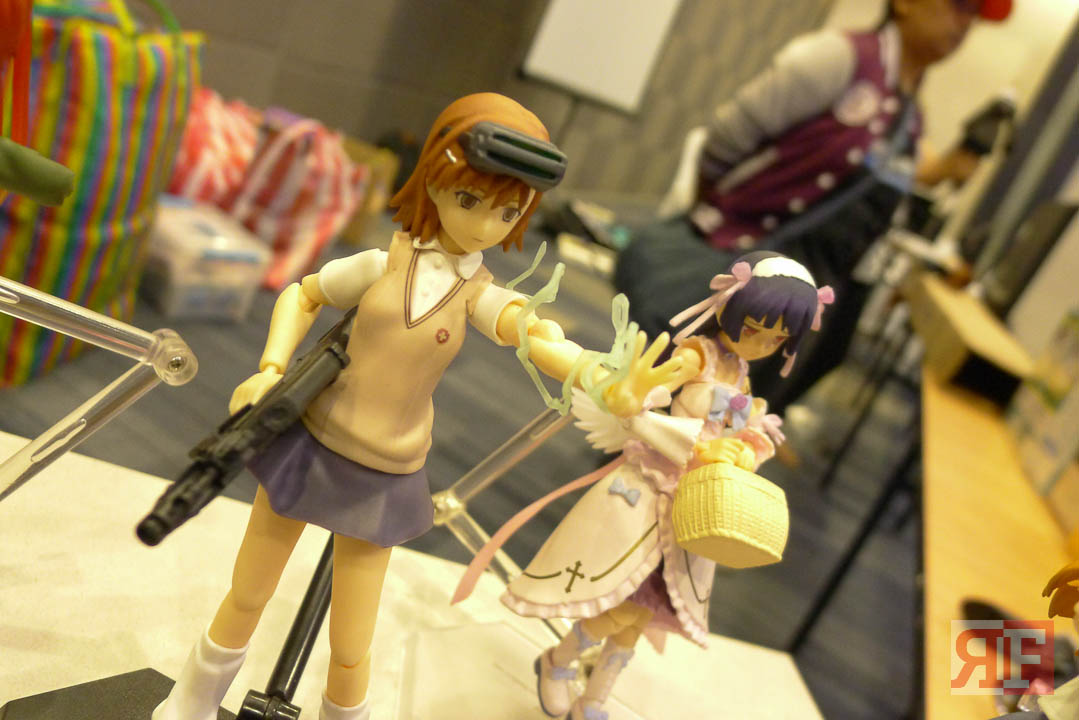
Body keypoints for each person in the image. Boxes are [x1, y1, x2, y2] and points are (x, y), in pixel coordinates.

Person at [151, 93, 687, 720]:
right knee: (247, 594)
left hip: (384, 471)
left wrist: (599, 377)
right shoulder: (384, 263)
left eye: (508, 212)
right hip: (311, 439)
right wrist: (270, 370)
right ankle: (190, 704)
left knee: (351, 644)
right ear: (435, 180)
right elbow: (304, 294)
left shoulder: (477, 294)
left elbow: (536, 335)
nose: (486, 226)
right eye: (470, 200)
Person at [455, 251, 833, 719]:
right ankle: (558, 661)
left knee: (639, 618)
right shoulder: (698, 356)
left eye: (776, 340)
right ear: (727, 310)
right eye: (754, 329)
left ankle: (594, 697)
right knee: (619, 606)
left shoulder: (741, 374)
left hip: (691, 503)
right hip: (652, 484)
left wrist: (743, 449)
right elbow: (646, 398)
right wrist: (639, 401)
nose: (760, 344)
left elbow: (743, 429)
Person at [614, 0, 1013, 417]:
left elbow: (916, 171)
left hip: (807, 303)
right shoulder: (840, 58)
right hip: (756, 276)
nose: (965, 23)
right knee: (665, 411)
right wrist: (718, 226)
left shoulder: (910, 109)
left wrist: (967, 154)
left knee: (719, 427)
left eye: (975, 15)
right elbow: (726, 139)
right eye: (959, 4)